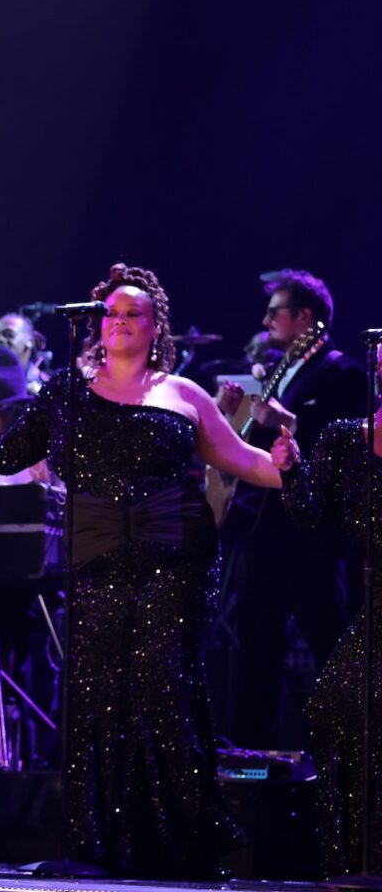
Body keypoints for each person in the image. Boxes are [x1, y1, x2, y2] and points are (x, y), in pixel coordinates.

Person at [0, 263, 285, 878]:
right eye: (112, 313)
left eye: (134, 314)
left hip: (174, 553)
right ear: (97, 325)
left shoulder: (183, 394)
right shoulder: (67, 394)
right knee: (100, 691)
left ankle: (182, 844)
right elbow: (6, 456)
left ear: (155, 327)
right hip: (98, 554)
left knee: (165, 685)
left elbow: (242, 459)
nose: (120, 321)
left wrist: (292, 464)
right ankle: (103, 842)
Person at [217, 269, 366, 749]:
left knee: (328, 641)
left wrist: (291, 421)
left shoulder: (344, 372)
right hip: (263, 531)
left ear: (304, 317)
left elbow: (348, 450)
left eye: (274, 312)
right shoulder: (284, 371)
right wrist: (229, 415)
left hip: (311, 533)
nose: (265, 322)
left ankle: (351, 750)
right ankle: (252, 753)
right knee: (254, 642)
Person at [271, 346, 382, 877]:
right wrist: (291, 470)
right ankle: (355, 858)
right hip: (374, 603)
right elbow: (310, 516)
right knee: (332, 707)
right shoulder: (345, 438)